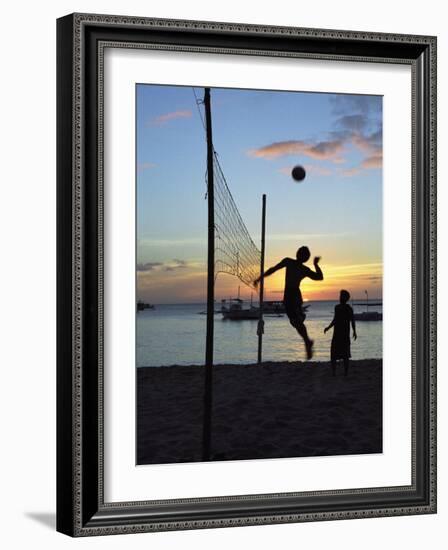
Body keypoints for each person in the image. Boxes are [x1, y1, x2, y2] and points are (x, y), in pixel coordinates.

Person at [254, 246, 323, 359]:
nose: (299, 255)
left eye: (302, 254)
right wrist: (260, 278)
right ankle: (307, 340)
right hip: (288, 296)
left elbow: (319, 277)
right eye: (300, 253)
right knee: (295, 322)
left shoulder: (301, 268)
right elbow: (273, 269)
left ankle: (307, 341)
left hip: (294, 295)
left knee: (296, 322)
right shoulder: (290, 262)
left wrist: (316, 265)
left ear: (304, 257)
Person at [324, 290, 357, 376]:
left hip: (345, 335)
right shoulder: (337, 307)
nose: (340, 298)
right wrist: (328, 327)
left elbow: (352, 320)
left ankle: (346, 373)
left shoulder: (349, 309)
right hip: (337, 334)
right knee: (333, 354)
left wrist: (354, 331)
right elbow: (335, 320)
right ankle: (334, 372)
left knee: (345, 355)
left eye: (341, 296)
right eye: (340, 296)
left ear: (346, 298)